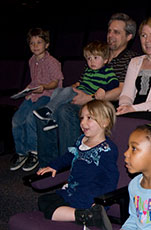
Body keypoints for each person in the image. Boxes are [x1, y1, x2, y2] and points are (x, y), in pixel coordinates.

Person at [36, 12, 136, 167]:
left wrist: (90, 98)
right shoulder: (99, 53)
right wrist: (74, 88)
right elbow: (86, 80)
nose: (110, 35)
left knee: (65, 111)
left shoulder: (129, 59)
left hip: (105, 104)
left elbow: (121, 90)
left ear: (129, 36)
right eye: (109, 31)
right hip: (88, 99)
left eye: (116, 32)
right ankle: (47, 166)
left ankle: (68, 166)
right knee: (44, 110)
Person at [37, 100, 119, 230]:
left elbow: (111, 178)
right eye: (82, 118)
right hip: (72, 190)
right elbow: (69, 155)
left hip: (88, 195)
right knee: (43, 201)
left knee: (50, 210)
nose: (82, 123)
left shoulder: (107, 150)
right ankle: (86, 216)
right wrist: (54, 166)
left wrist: (103, 203)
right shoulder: (81, 140)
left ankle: (90, 213)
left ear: (105, 122)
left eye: (89, 118)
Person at [33, 40, 119, 131]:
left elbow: (114, 82)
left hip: (87, 96)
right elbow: (82, 82)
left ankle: (48, 109)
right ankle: (52, 118)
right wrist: (76, 85)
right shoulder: (88, 70)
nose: (91, 61)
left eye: (95, 58)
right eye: (89, 58)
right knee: (58, 91)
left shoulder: (107, 71)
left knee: (68, 91)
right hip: (79, 91)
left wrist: (103, 89)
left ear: (105, 60)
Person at [10, 27, 63, 172]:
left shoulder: (52, 62)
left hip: (48, 95)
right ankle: (21, 152)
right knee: (16, 119)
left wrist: (44, 87)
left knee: (30, 118)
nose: (35, 46)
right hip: (34, 94)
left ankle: (34, 152)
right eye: (32, 43)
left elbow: (55, 82)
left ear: (46, 45)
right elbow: (34, 80)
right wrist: (26, 90)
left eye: (39, 42)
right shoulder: (31, 60)